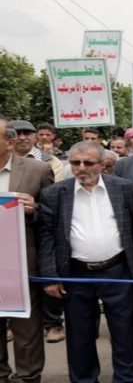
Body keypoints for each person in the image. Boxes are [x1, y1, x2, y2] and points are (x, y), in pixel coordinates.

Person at [37, 141, 133, 383]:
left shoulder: (124, 188)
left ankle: (127, 379)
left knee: (125, 330)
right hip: (76, 273)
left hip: (118, 270)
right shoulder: (54, 193)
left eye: (88, 162)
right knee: (79, 334)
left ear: (103, 164)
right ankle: (84, 379)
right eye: (75, 162)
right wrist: (50, 276)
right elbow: (46, 236)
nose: (81, 168)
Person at [0, 117, 53, 383]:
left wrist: (35, 210)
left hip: (21, 264)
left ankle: (28, 377)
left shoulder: (37, 170)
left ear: (9, 143)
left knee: (26, 328)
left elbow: (54, 215)